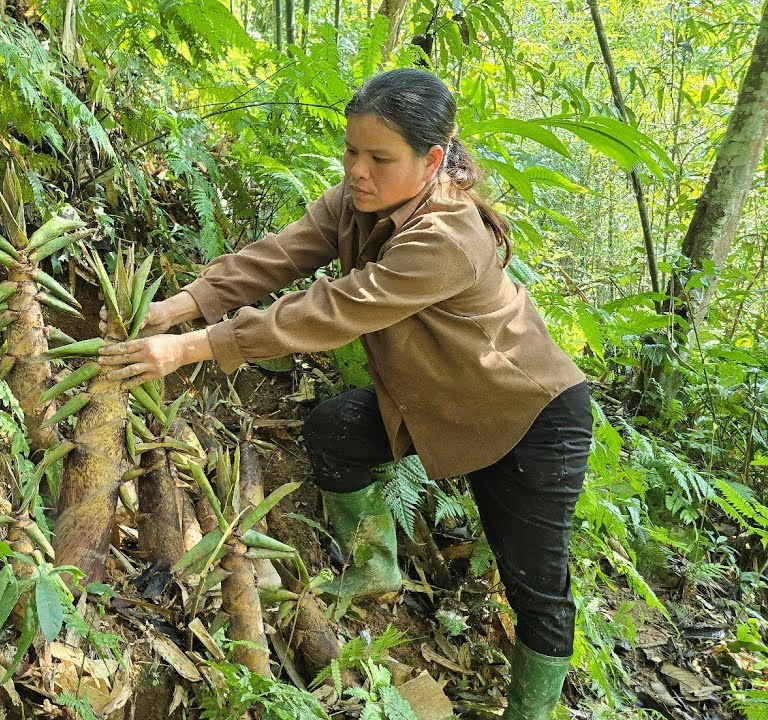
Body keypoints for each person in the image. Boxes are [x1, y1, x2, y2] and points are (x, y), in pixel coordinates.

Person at [97, 68, 593, 720]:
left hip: (531, 416)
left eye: (379, 158)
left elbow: (332, 309)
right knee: (335, 430)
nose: (357, 170)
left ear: (432, 160)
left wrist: (192, 347)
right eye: (351, 151)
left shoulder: (449, 238)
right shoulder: (359, 204)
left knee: (536, 586)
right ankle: (373, 566)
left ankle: (530, 712)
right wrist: (181, 305)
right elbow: (279, 256)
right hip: (442, 401)